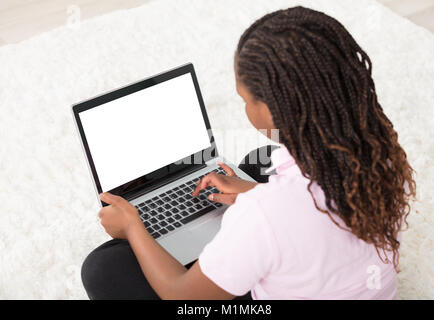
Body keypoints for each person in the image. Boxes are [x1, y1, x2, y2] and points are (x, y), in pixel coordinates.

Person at [81, 5, 416, 300]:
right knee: (258, 162)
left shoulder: (263, 214)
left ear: (271, 109)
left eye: (244, 99)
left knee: (104, 267)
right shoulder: (381, 152)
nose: (243, 106)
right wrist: (252, 193)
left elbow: (180, 295)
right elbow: (310, 217)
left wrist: (133, 226)